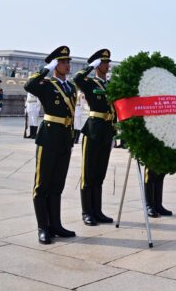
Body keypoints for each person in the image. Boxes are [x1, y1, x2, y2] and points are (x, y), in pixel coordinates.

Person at [24, 46, 77, 244]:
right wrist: (46, 69)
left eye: (67, 62)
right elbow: (29, 85)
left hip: (65, 137)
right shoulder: (46, 84)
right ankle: (43, 227)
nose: (67, 65)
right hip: (48, 137)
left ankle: (56, 224)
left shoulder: (70, 87)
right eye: (63, 62)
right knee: (42, 184)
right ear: (56, 65)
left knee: (57, 185)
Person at [73, 49, 115, 226]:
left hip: (107, 130)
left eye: (107, 62)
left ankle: (97, 211)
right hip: (93, 129)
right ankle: (87, 212)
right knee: (88, 173)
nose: (107, 65)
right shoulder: (90, 83)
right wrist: (90, 66)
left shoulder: (111, 84)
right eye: (104, 62)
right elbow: (77, 79)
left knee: (100, 173)